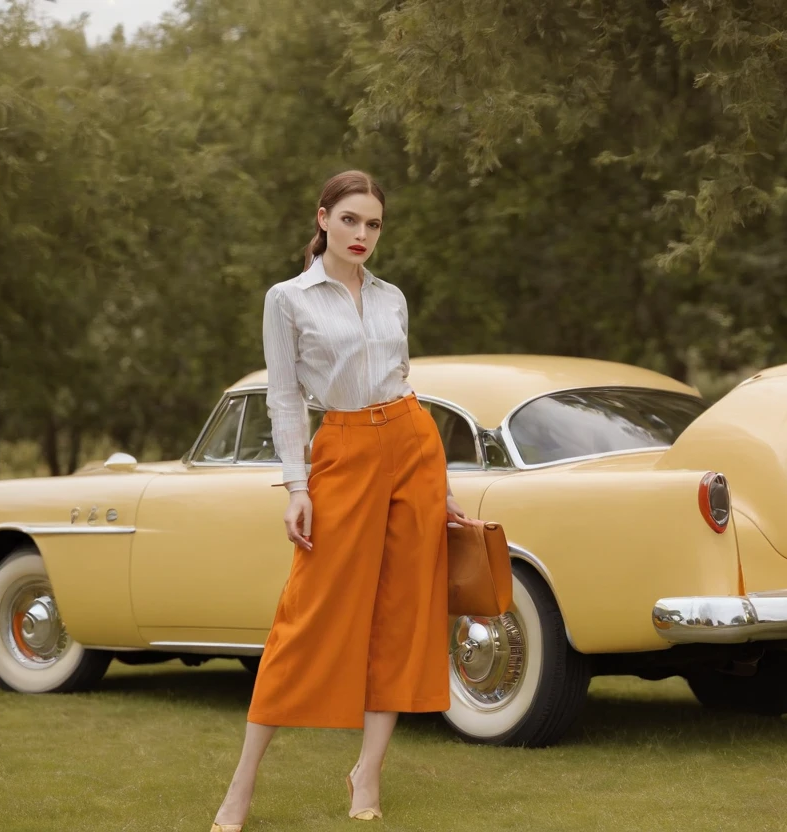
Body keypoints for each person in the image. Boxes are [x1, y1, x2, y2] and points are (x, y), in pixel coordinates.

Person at [211, 170, 483, 830]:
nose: (363, 234)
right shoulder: (289, 298)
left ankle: (369, 774)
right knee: (307, 614)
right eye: (352, 220)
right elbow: (284, 400)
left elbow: (402, 382)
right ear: (324, 218)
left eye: (375, 224)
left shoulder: (391, 298)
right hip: (344, 450)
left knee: (401, 614)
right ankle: (241, 785)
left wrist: (438, 487)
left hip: (413, 446)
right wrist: (297, 488)